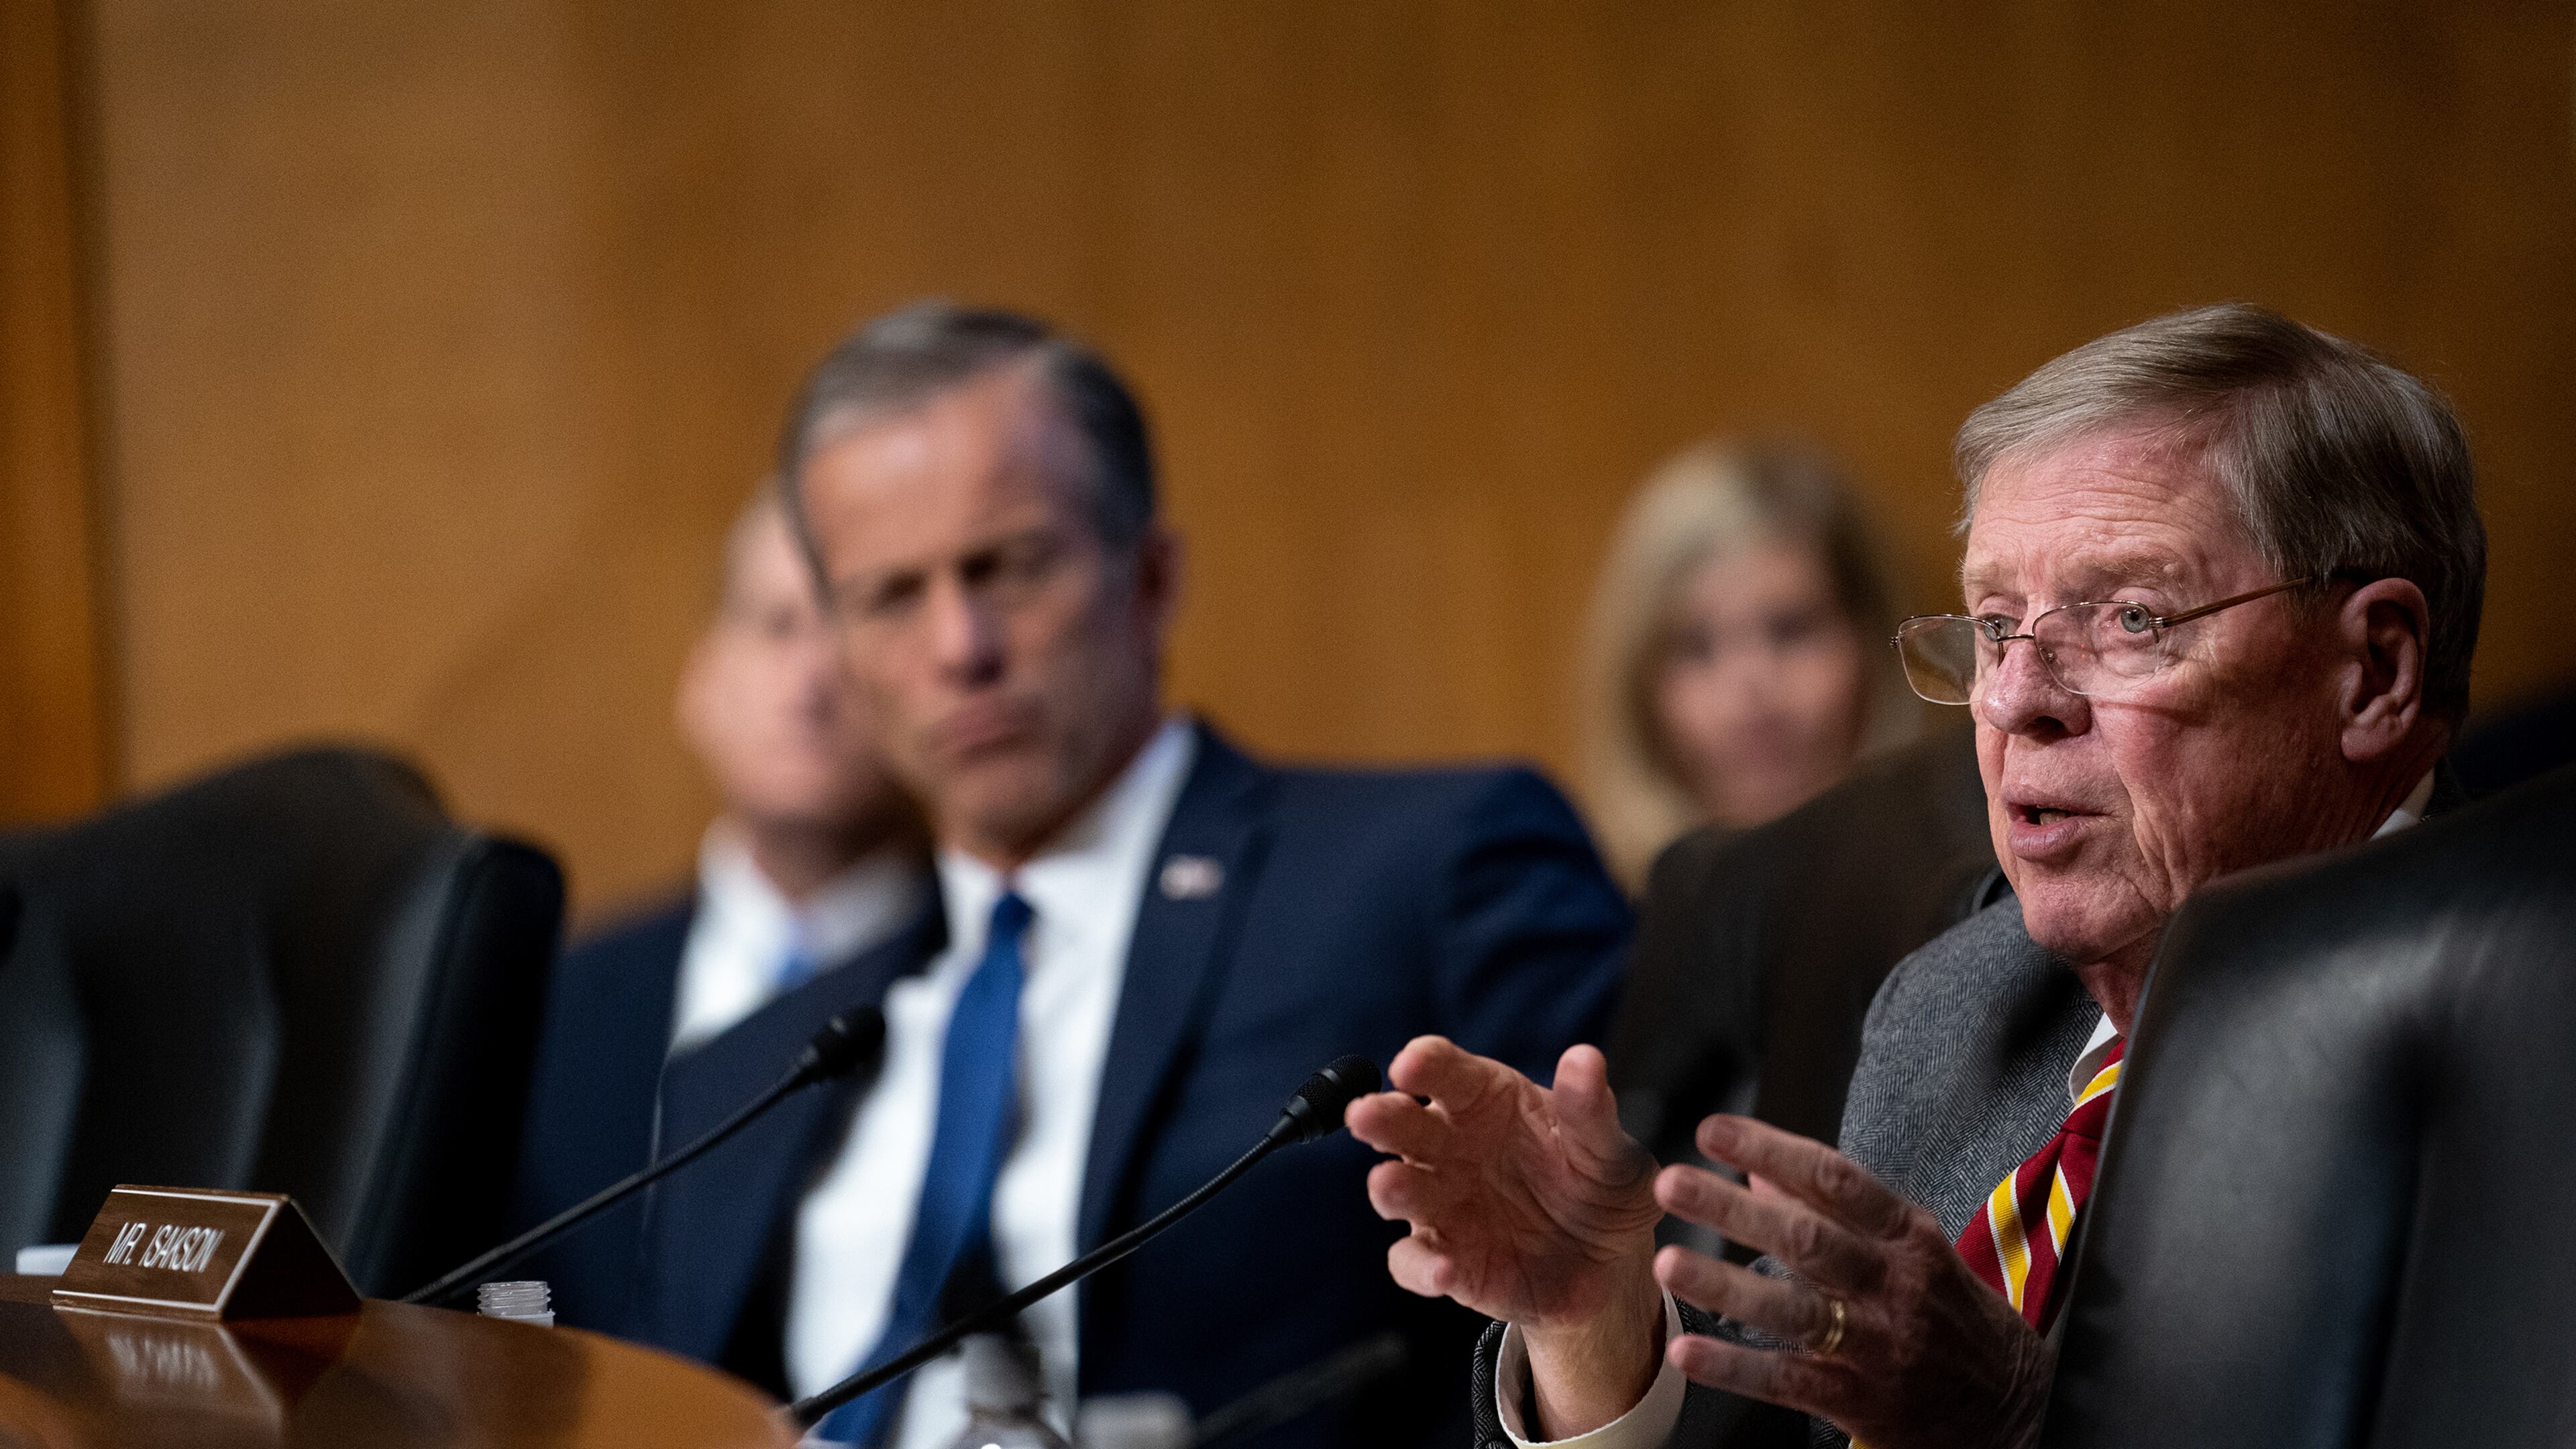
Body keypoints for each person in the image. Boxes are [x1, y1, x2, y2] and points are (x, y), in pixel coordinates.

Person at [1348, 303, 2483, 1449]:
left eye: (2132, 619)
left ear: (2373, 672)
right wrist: (1598, 1321)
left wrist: (2014, 1422)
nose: (2014, 703)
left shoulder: (2529, 1046)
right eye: (1996, 629)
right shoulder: (1954, 1003)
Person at [622, 303, 1631, 1449]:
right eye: (891, 596)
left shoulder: (1425, 876)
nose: (961, 648)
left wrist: (1587, 1348)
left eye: (1008, 567)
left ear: (1149, 579)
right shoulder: (743, 1078)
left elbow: (1658, 1303)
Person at [510, 488, 928, 1332]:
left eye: (852, 630)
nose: (812, 680)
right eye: (777, 626)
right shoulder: (549, 1006)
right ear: (701, 682)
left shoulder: (1006, 989)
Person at [1579, 440, 1919, 890]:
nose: (1749, 682)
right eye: (1695, 647)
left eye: (1791, 629)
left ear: (1875, 641)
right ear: (1638, 684)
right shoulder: (1608, 931)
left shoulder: (1967, 902)